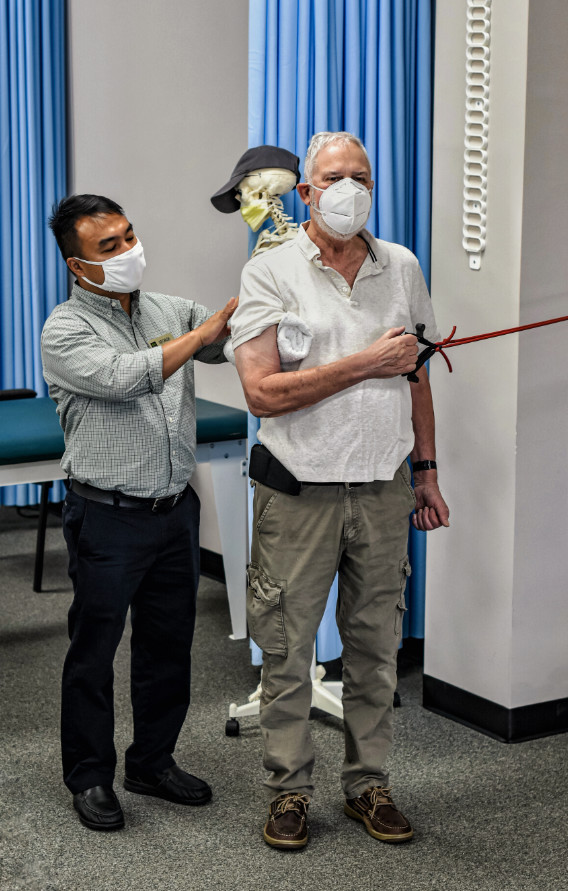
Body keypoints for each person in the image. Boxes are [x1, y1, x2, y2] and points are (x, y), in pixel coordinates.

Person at [230, 132, 450, 850]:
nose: (348, 187)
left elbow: (415, 373)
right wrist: (363, 363)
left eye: (361, 175)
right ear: (307, 191)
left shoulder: (402, 267)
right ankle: (288, 790)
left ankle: (368, 784)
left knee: (374, 645)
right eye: (334, 177)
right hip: (298, 492)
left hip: (383, 488)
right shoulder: (270, 271)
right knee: (289, 649)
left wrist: (427, 471)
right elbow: (261, 393)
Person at [41, 194, 236, 831]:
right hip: (107, 517)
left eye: (129, 237)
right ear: (78, 265)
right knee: (93, 652)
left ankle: (152, 762)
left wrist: (268, 286)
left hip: (174, 511)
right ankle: (90, 777)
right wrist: (200, 337)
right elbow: (127, 376)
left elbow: (228, 340)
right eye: (109, 247)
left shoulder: (169, 309)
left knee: (168, 647)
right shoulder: (64, 329)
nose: (128, 252)